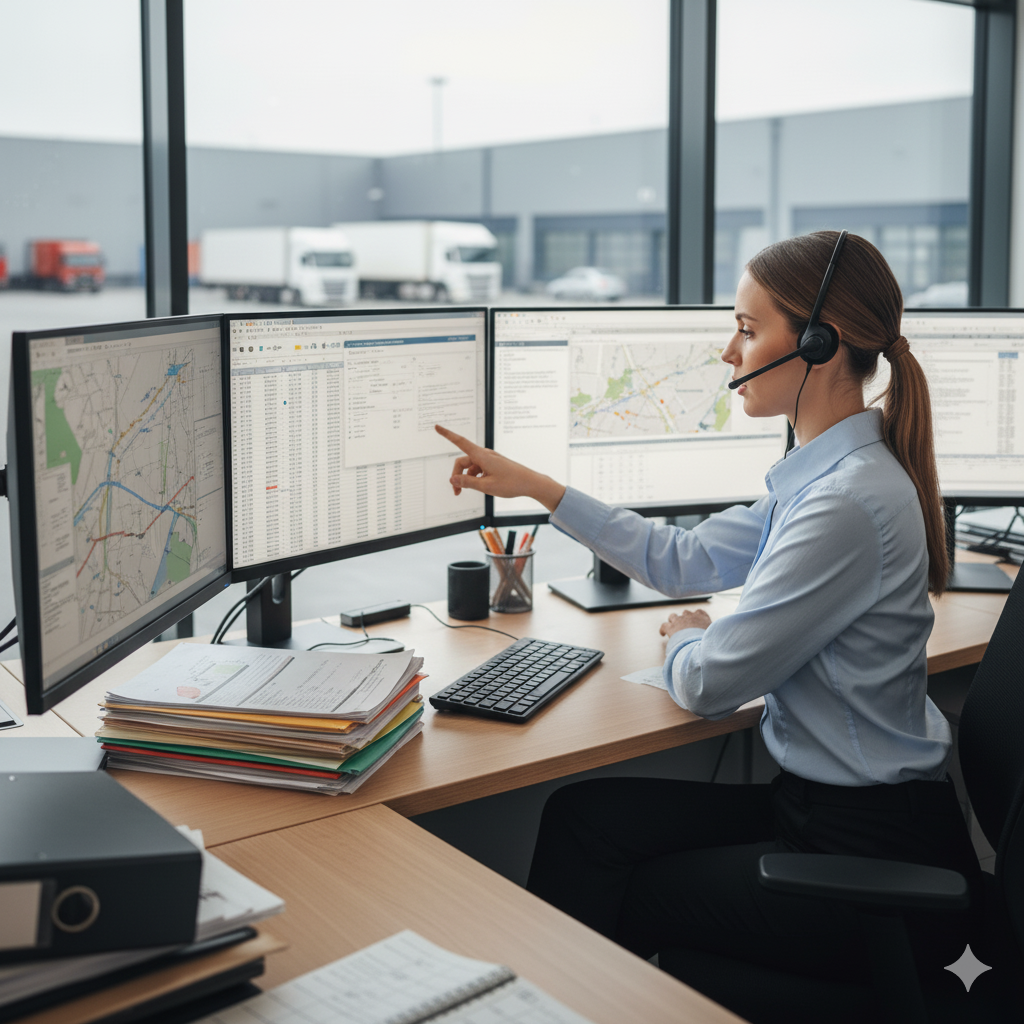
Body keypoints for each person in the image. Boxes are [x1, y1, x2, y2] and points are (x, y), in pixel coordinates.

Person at [434, 231, 980, 1006]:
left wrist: (689, 636)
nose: (730, 351)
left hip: (870, 851)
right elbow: (682, 560)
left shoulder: (845, 504)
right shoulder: (827, 476)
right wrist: (542, 489)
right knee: (585, 819)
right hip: (828, 812)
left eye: (748, 329)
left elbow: (709, 684)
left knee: (633, 883)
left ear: (818, 345)